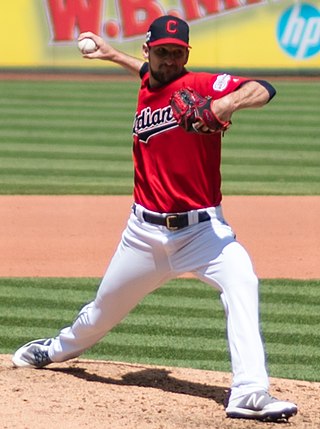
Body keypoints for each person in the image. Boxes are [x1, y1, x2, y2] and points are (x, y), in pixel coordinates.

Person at [12, 15, 297, 422]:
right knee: (102, 311)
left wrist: (224, 104)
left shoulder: (199, 85)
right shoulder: (149, 79)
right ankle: (56, 349)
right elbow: (146, 73)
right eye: (162, 51)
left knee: (242, 281)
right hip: (142, 235)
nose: (169, 60)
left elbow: (263, 88)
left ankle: (249, 393)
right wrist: (111, 54)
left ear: (186, 55)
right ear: (149, 51)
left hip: (204, 233)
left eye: (177, 53)